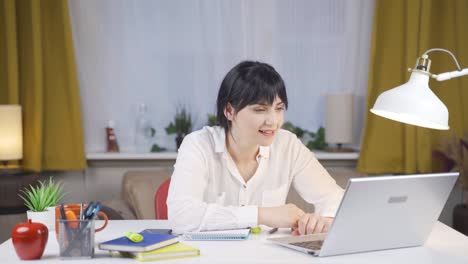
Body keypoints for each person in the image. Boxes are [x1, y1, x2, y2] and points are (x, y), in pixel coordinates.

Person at [167, 61, 344, 235]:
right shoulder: (198, 145)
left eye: (279, 108)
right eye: (260, 110)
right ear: (229, 110)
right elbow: (181, 216)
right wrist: (262, 215)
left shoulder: (288, 145)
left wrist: (324, 220)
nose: (273, 121)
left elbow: (334, 198)